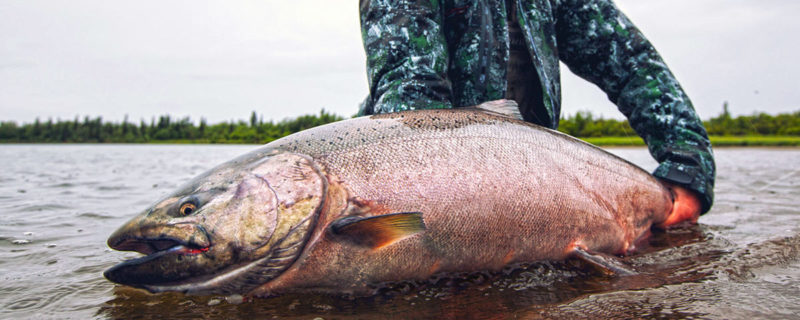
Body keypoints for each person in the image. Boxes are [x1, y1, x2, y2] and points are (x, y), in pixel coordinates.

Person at [357, 0, 715, 223]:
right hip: (412, 179)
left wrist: (686, 165)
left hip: (533, 181)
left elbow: (629, 61)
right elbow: (412, 91)